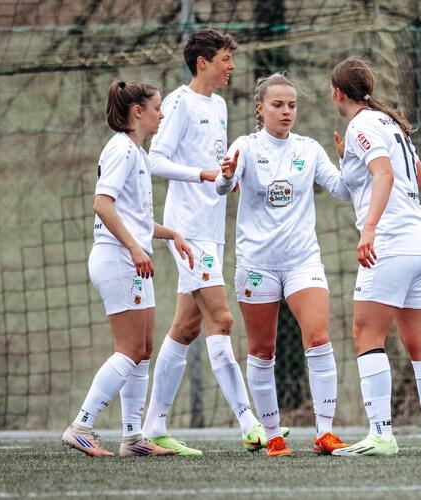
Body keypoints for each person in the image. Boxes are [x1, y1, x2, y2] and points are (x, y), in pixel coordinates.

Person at [142, 28, 266, 456]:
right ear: (203, 62)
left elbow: (213, 171)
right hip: (188, 231)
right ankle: (250, 423)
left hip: (212, 229)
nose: (232, 67)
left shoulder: (219, 105)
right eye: (226, 59)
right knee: (223, 320)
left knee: (186, 327)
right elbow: (156, 160)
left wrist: (225, 178)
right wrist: (203, 174)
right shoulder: (178, 103)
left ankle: (153, 426)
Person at [215, 73, 351, 457]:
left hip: (302, 261)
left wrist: (349, 161)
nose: (286, 111)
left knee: (319, 338)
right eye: (277, 105)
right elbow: (223, 188)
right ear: (260, 108)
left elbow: (341, 189)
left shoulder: (308, 149)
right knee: (262, 350)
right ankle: (272, 434)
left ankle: (325, 432)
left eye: (292, 105)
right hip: (257, 265)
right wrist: (225, 178)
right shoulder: (244, 146)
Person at [61, 80, 192, 457]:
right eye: (156, 108)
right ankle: (81, 425)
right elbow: (102, 205)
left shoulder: (135, 152)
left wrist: (171, 235)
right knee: (130, 348)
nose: (161, 115)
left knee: (144, 349)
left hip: (131, 257)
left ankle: (133, 439)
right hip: (117, 258)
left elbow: (134, 217)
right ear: (138, 112)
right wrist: (134, 248)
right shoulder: (121, 149)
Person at [327, 57, 421, 457]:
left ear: (337, 93)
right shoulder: (389, 123)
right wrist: (348, 161)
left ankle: (381, 434)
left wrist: (371, 228)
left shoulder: (361, 124)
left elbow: (384, 174)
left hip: (391, 242)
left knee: (365, 334)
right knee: (420, 343)